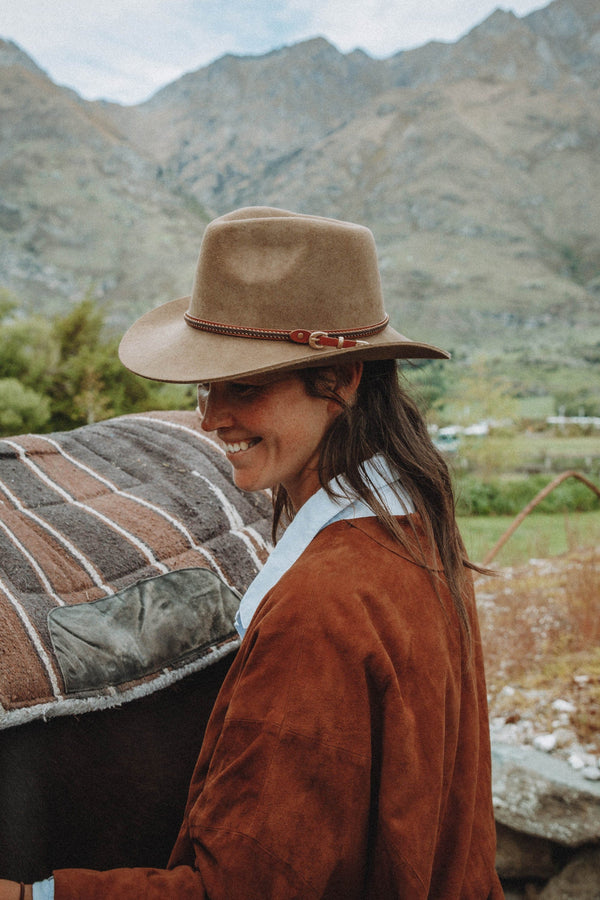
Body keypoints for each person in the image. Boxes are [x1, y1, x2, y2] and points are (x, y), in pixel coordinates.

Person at [1, 207, 503, 899]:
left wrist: (33, 896)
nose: (209, 418)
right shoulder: (415, 530)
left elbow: (241, 888)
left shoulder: (320, 608)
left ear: (343, 379)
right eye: (206, 385)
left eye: (245, 385)